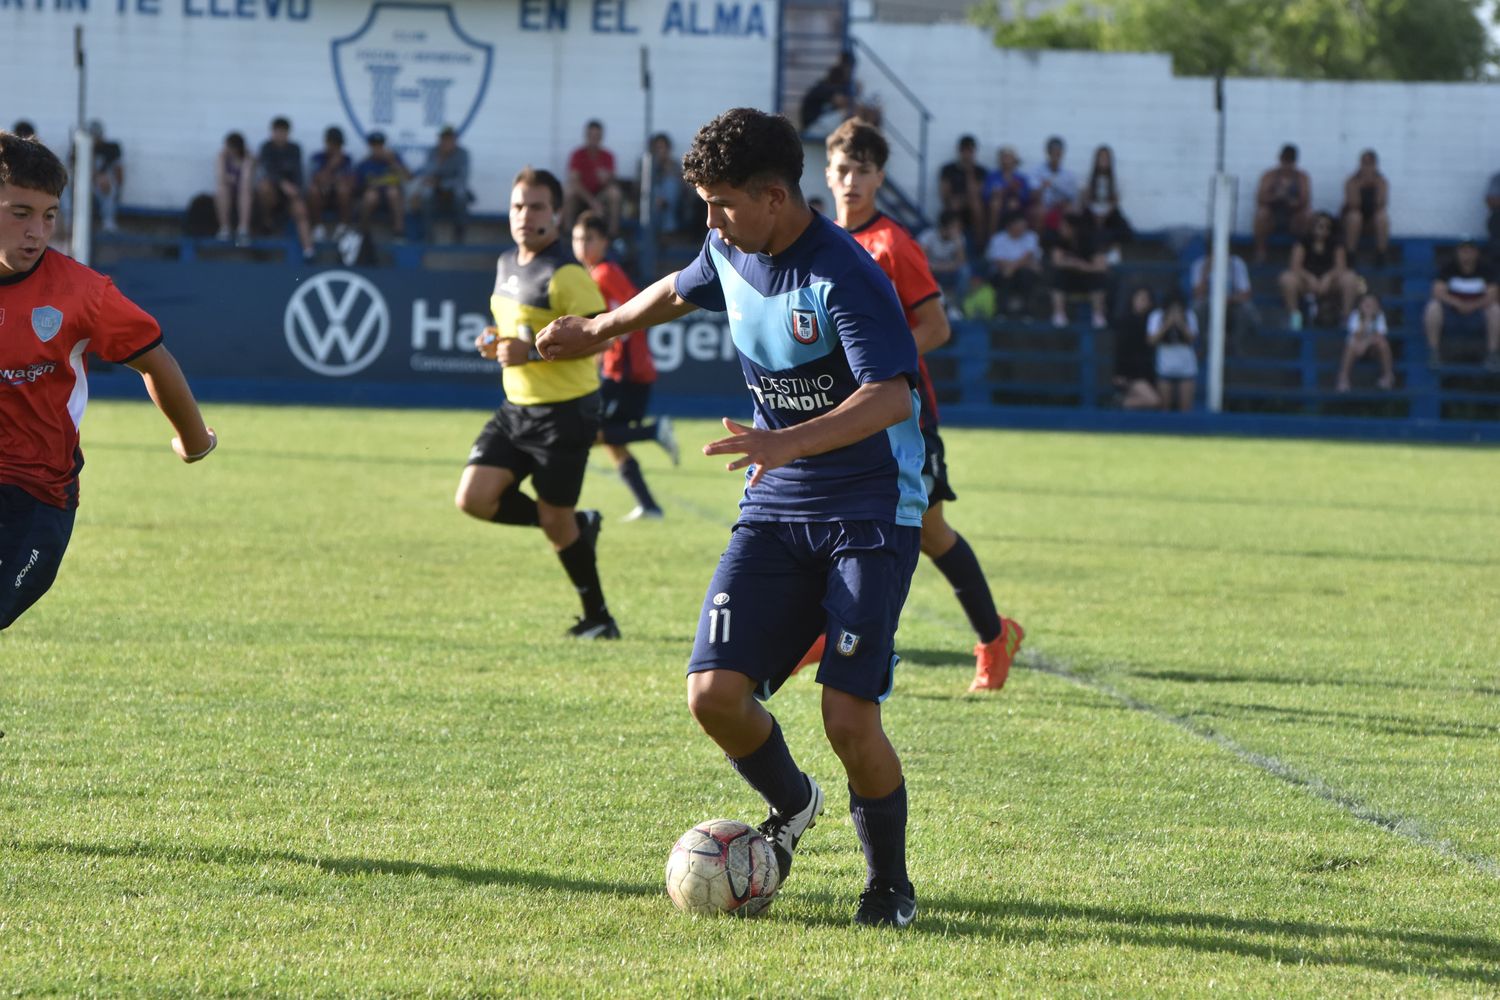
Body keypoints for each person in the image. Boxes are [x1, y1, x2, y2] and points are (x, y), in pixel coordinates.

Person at [536, 107, 927, 929]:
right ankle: (794, 805)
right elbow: (677, 289)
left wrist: (790, 443)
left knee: (847, 716)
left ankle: (889, 886)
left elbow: (892, 394)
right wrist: (597, 330)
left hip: (868, 510)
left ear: (775, 196)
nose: (709, 223)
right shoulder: (731, 247)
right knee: (712, 695)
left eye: (721, 205)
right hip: (777, 508)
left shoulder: (843, 274)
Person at [823, 116, 1025, 694]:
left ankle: (994, 637)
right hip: (843, 412)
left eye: (862, 171)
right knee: (830, 518)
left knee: (930, 531)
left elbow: (935, 327)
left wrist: (878, 362)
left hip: (903, 416)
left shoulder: (893, 245)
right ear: (828, 173)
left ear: (879, 177)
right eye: (842, 169)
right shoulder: (824, 242)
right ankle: (827, 633)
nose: (851, 181)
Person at [0, 131, 216, 630]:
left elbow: (155, 362)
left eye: (49, 215)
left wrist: (194, 441)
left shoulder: (81, 294)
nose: (37, 231)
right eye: (20, 214)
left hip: (36, 498)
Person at [454, 167, 617, 639]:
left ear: (558, 214)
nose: (526, 215)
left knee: (553, 520)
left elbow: (602, 337)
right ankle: (576, 524)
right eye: (518, 206)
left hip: (565, 412)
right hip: (516, 408)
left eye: (537, 206)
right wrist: (498, 342)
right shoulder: (507, 263)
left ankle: (599, 618)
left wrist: (530, 353)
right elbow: (517, 334)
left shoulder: (565, 271)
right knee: (473, 499)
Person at [570, 211, 680, 520]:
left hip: (628, 369)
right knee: (609, 439)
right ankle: (649, 505)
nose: (582, 245)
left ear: (604, 242)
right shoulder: (594, 274)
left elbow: (634, 305)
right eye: (578, 238)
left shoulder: (605, 272)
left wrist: (618, 341)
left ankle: (654, 431)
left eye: (589, 238)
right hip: (618, 367)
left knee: (593, 433)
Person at [1422, 239, 1500, 370]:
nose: (1466, 254)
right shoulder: (1448, 268)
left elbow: (1493, 294)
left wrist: (1473, 305)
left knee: (1496, 310)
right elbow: (1437, 291)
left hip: (1478, 315)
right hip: (1452, 314)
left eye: (1470, 251)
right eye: (1463, 251)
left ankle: (1492, 354)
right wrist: (1458, 304)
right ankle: (1433, 353)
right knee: (1433, 307)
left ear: (1476, 253)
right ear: (1457, 253)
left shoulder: (1486, 269)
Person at [1278, 211, 1361, 330]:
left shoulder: (1336, 243)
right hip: (1307, 283)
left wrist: (1327, 277)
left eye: (1326, 226)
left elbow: (1340, 267)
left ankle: (1345, 317)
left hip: (1330, 284)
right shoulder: (1303, 242)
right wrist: (1309, 278)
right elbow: (1295, 266)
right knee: (1286, 278)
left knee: (1351, 278)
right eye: (1319, 225)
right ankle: (1294, 316)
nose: (1323, 229)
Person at [255, 117, 315, 261]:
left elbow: (298, 174)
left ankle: (309, 251)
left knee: (300, 210)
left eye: (283, 132)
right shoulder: (266, 148)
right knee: (264, 187)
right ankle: (267, 223)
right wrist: (283, 184)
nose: (280, 135)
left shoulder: (295, 149)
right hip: (273, 195)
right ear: (272, 132)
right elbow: (267, 171)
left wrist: (296, 192)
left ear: (288, 133)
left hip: (290, 196)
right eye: (278, 132)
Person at [1188, 244, 1259, 351]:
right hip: (1209, 305)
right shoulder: (1199, 264)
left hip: (1232, 304)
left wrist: (1228, 299)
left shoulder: (1237, 264)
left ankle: (1236, 344)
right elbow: (1198, 294)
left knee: (1247, 309)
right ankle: (1202, 344)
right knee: (1196, 307)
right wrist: (1206, 271)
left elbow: (1246, 294)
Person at [1045, 210, 1109, 329]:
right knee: (1057, 275)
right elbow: (1057, 261)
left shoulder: (1091, 240)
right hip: (1069, 279)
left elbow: (1101, 266)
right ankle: (1059, 314)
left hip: (1088, 278)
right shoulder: (1059, 240)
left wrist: (1083, 266)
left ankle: (1098, 315)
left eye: (1064, 226)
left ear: (1072, 228)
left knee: (1099, 278)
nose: (1060, 229)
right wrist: (1073, 264)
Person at [411, 125, 472, 244]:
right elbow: (428, 174)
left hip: (451, 189)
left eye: (449, 139)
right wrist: (440, 159)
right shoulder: (434, 152)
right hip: (436, 191)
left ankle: (459, 233)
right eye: (444, 139)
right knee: (426, 194)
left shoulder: (462, 153)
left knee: (460, 193)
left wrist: (441, 183)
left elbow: (462, 179)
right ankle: (428, 235)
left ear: (455, 140)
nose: (446, 142)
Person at [562, 120, 623, 237]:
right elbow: (574, 181)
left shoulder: (608, 156)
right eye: (591, 135)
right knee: (568, 192)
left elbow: (613, 181)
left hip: (600, 195)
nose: (594, 139)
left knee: (614, 193)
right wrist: (592, 202)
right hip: (582, 197)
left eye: (597, 136)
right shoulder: (577, 155)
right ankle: (567, 234)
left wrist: (607, 179)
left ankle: (612, 235)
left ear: (601, 137)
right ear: (586, 136)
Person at [1252, 143, 1311, 262]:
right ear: (1280, 159)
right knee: (1262, 213)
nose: (1287, 165)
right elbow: (1260, 198)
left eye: (1290, 161)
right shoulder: (1269, 176)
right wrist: (1275, 197)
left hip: (1293, 217)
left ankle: (1302, 254)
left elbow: (1305, 200)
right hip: (1272, 217)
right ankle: (1260, 251)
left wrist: (1291, 201)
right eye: (1285, 160)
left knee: (1307, 216)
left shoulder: (1301, 177)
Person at [1112, 286, 1163, 410]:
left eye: (1145, 299)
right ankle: (1116, 405)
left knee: (1159, 402)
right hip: (1132, 374)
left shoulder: (1153, 322)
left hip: (1149, 372)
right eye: (1140, 298)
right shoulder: (1125, 322)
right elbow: (1120, 350)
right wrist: (1118, 373)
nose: (1142, 302)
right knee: (1154, 401)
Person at [1148, 288, 1198, 411]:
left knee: (1185, 409)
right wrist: (1167, 324)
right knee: (1165, 408)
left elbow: (1193, 339)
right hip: (1165, 367)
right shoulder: (1157, 316)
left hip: (1186, 367)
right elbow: (1151, 340)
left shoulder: (1189, 315)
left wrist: (1180, 323)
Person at [984, 211, 1043, 315]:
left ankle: (1028, 313)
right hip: (1002, 273)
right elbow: (998, 261)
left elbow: (1028, 257)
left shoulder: (1031, 236)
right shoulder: (998, 238)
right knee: (1004, 275)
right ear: (1010, 225)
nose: (1024, 227)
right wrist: (1017, 266)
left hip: (1022, 273)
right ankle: (1001, 313)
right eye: (1020, 224)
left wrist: (1012, 268)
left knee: (1025, 274)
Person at [306, 126, 357, 243]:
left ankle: (343, 227)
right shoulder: (317, 157)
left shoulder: (347, 159)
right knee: (314, 190)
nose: (335, 147)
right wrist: (332, 165)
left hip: (339, 197)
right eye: (332, 143)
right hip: (322, 196)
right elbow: (316, 179)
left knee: (343, 189)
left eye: (338, 144)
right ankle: (317, 228)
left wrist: (333, 181)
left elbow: (351, 182)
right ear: (326, 142)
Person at [1336, 291, 1395, 392]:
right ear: (1360, 305)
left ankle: (1388, 376)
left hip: (1372, 349)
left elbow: (1379, 335)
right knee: (1351, 345)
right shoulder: (1355, 316)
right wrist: (1367, 320)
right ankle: (1343, 378)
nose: (1369, 306)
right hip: (1356, 350)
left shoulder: (1380, 316)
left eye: (1372, 304)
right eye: (1366, 304)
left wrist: (1366, 343)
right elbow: (1356, 335)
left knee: (1383, 344)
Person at [355, 132, 410, 239]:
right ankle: (362, 231)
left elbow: (408, 177)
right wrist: (370, 186)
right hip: (374, 198)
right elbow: (357, 188)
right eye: (374, 145)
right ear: (370, 146)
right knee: (370, 196)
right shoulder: (365, 164)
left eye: (380, 145)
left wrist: (392, 162)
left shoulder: (393, 159)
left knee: (392, 192)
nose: (377, 148)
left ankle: (399, 231)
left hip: (392, 198)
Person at [938, 135, 986, 250]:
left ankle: (979, 243)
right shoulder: (948, 169)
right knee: (955, 204)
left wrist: (969, 172)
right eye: (964, 150)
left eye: (970, 150)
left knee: (976, 204)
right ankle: (953, 242)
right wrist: (953, 200)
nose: (967, 154)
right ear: (959, 151)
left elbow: (977, 192)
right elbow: (944, 192)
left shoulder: (980, 171)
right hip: (954, 202)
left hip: (971, 203)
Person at [1341, 149, 1390, 263]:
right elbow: (1354, 204)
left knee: (1382, 217)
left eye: (1370, 164)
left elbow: (1381, 204)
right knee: (1355, 217)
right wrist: (1360, 186)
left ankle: (1381, 253)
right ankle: (1350, 254)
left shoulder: (1381, 181)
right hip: (1353, 222)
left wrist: (1375, 185)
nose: (1367, 167)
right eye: (1364, 163)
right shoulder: (1351, 181)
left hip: (1372, 222)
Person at [1084, 144, 1132, 252]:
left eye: (1106, 158)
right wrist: (1095, 214)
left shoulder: (1116, 180)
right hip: (1092, 213)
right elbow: (1086, 200)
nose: (1103, 161)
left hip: (1108, 213)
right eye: (1101, 157)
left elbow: (1115, 201)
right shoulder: (1088, 178)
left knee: (1125, 229)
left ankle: (1112, 248)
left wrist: (1104, 215)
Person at [213, 131, 255, 246]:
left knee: (245, 190)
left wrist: (233, 178)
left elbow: (246, 179)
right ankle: (224, 227)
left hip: (244, 191)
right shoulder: (222, 156)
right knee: (221, 190)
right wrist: (229, 179)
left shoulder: (248, 157)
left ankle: (243, 229)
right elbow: (220, 177)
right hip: (228, 191)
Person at [982, 145, 1031, 243]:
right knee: (995, 204)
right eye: (1004, 157)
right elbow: (985, 195)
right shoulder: (992, 176)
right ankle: (992, 241)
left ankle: (1014, 243)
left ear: (1014, 160)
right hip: (997, 206)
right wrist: (998, 192)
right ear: (999, 160)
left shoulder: (1021, 178)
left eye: (1009, 158)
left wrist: (1017, 192)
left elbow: (1026, 197)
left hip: (1015, 206)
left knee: (1013, 204)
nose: (1007, 161)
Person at [916, 209, 969, 297]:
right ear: (945, 226)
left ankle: (957, 303)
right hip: (930, 272)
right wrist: (946, 266)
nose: (958, 229)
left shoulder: (959, 238)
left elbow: (961, 263)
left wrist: (958, 244)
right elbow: (920, 260)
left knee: (965, 271)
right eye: (955, 226)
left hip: (945, 272)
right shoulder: (928, 236)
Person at [1028, 136, 1077, 230]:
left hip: (1061, 206)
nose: (1055, 155)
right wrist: (1042, 187)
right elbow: (1032, 195)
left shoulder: (1069, 175)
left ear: (1062, 154)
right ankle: (1039, 242)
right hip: (1043, 205)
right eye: (1053, 152)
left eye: (1058, 152)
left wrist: (1062, 202)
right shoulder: (1037, 171)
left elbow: (1072, 197)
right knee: (1040, 210)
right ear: (1048, 153)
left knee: (1071, 210)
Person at [646, 132, 685, 236]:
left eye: (663, 148)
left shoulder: (675, 165)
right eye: (657, 148)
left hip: (670, 203)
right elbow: (640, 186)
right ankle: (666, 230)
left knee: (670, 184)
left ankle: (668, 229)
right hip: (652, 201)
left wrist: (667, 169)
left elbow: (681, 187)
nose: (660, 151)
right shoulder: (645, 165)